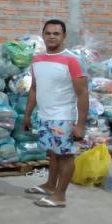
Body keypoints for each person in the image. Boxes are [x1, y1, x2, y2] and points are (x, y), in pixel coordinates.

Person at [23, 19, 88, 207]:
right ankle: (50, 185)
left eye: (56, 33)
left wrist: (80, 125)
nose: (51, 36)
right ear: (43, 35)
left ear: (64, 36)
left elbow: (83, 93)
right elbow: (34, 88)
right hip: (44, 116)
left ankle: (60, 196)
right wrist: (28, 114)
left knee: (66, 155)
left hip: (63, 117)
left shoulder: (72, 60)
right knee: (53, 152)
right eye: (48, 33)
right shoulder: (37, 59)